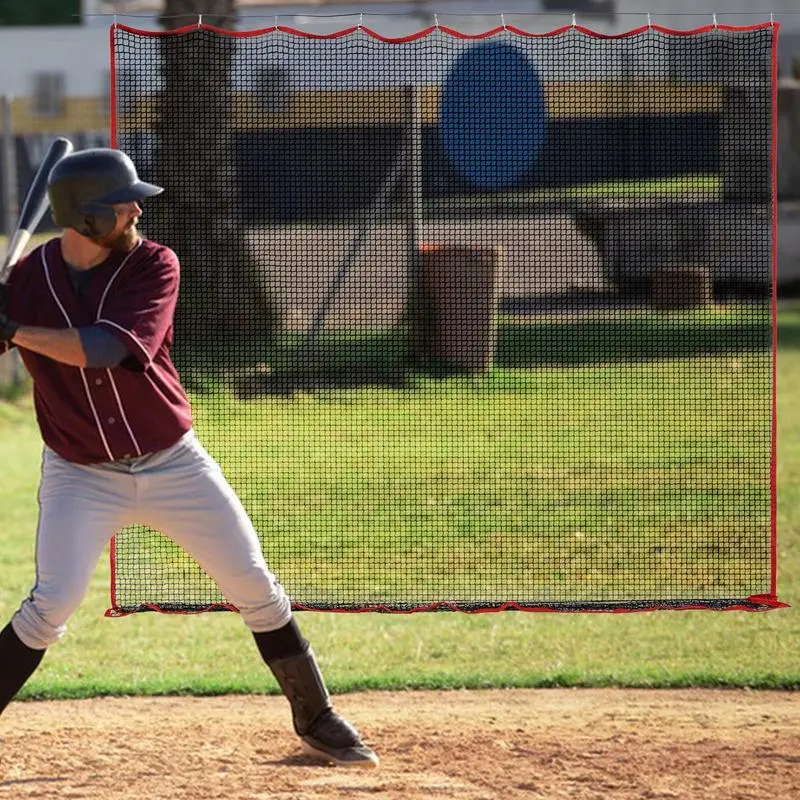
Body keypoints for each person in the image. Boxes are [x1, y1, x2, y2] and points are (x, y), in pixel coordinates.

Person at [0, 147, 378, 769]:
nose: (134, 212)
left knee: (254, 584)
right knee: (51, 605)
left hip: (172, 463)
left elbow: (110, 349)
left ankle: (317, 716)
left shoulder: (155, 264)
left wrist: (14, 330)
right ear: (86, 217)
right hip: (80, 474)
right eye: (121, 205)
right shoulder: (26, 281)